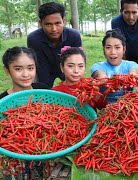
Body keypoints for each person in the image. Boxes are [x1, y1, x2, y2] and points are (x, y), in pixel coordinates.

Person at [0, 46, 48, 179]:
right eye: (18, 69)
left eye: (30, 68)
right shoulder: (2, 101)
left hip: (44, 152)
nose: (26, 74)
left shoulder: (43, 90)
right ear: (7, 70)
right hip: (14, 156)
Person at [27, 2, 82, 88]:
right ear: (40, 23)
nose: (54, 29)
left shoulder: (74, 36)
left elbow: (78, 61)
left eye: (57, 23)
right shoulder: (33, 39)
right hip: (44, 67)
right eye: (48, 24)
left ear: (63, 21)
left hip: (67, 67)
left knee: (75, 88)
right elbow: (39, 65)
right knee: (43, 91)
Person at [91, 29, 138, 104]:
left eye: (117, 47)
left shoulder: (131, 65)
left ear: (124, 49)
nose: (113, 52)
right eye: (108, 47)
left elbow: (133, 74)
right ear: (103, 50)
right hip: (105, 108)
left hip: (127, 107)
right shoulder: (97, 66)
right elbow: (101, 76)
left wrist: (131, 78)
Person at [111, 0, 138, 69]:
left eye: (134, 12)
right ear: (121, 11)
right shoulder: (116, 22)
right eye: (127, 12)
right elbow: (119, 45)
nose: (131, 17)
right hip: (126, 54)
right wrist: (125, 66)